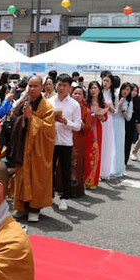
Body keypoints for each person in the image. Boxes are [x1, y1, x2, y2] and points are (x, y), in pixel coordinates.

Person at [7, 75, 55, 222]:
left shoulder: (47, 107)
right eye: (30, 86)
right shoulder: (24, 103)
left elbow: (48, 130)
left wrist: (31, 118)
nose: (32, 89)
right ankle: (21, 207)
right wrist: (24, 118)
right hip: (24, 146)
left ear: (42, 88)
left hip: (38, 150)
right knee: (21, 176)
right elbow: (14, 118)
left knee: (37, 178)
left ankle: (35, 208)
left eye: (35, 86)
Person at [48, 74, 81, 213]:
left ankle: (65, 198)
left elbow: (78, 126)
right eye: (59, 84)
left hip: (66, 142)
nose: (61, 88)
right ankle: (49, 195)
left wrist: (66, 122)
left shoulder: (74, 105)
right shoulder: (49, 101)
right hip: (50, 140)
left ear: (69, 88)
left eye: (64, 85)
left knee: (66, 170)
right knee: (49, 169)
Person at [69, 85, 93, 199]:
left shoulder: (86, 111)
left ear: (83, 96)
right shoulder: (67, 108)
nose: (77, 96)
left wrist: (80, 124)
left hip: (79, 139)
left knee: (77, 163)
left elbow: (88, 128)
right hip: (66, 137)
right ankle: (61, 188)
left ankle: (76, 190)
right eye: (75, 93)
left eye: (80, 94)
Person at [84, 81, 106, 189]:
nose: (93, 90)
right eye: (91, 88)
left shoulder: (103, 104)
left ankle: (92, 180)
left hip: (97, 132)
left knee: (95, 154)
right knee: (85, 155)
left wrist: (101, 117)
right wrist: (91, 115)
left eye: (95, 88)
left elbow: (105, 118)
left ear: (99, 90)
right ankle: (83, 180)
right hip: (86, 131)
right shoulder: (85, 102)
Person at [98, 72, 120, 180]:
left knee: (106, 144)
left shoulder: (114, 95)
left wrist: (110, 108)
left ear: (111, 83)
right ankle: (96, 170)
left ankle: (104, 171)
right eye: (104, 80)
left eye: (107, 81)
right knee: (97, 144)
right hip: (98, 118)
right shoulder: (98, 92)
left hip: (108, 120)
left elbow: (115, 111)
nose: (105, 83)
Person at [112, 82, 132, 174]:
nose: (125, 91)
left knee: (118, 146)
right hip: (111, 123)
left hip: (120, 124)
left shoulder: (129, 103)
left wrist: (122, 108)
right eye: (124, 89)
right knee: (110, 146)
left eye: (128, 90)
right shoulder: (115, 98)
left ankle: (117, 169)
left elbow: (128, 117)